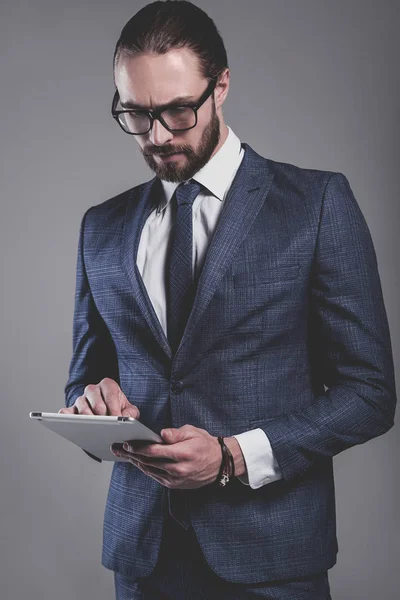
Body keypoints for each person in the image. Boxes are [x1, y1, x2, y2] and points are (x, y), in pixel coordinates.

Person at [60, 1, 397, 598]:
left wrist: (231, 456)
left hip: (274, 559)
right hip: (142, 558)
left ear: (221, 88)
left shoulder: (316, 205)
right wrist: (93, 407)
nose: (158, 135)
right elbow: (86, 379)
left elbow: (369, 394)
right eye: (136, 114)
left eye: (177, 111)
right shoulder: (101, 228)